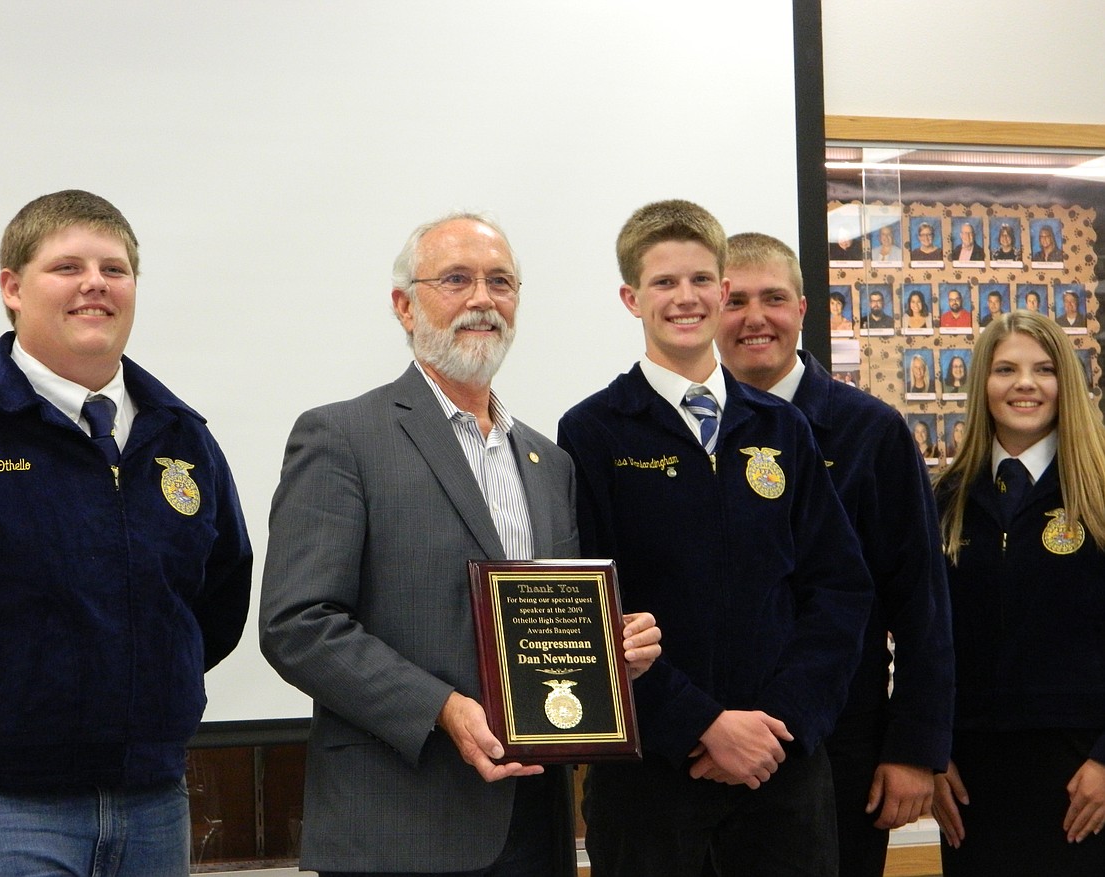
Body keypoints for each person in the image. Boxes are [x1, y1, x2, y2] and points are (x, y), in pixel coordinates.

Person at [258, 212, 662, 877]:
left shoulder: (546, 460)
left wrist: (610, 653)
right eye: (456, 279)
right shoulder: (343, 437)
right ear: (404, 305)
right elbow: (297, 624)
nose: (483, 299)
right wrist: (441, 708)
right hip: (401, 827)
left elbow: (544, 621)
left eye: (501, 281)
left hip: (535, 823)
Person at [0, 190, 253, 876]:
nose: (95, 285)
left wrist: (149, 682)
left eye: (114, 268)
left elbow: (218, 594)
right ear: (11, 288)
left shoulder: (183, 436)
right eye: (67, 267)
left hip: (152, 806)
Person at [558, 201, 873, 876]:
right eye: (664, 283)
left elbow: (839, 589)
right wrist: (703, 725)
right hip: (653, 775)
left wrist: (776, 725)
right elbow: (590, 612)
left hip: (779, 771)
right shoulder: (594, 432)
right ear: (630, 297)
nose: (685, 297)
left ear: (722, 288)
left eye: (701, 279)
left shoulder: (781, 429)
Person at [714, 232, 952, 877]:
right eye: (735, 300)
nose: (754, 317)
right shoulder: (683, 434)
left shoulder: (870, 431)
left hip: (842, 740)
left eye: (774, 298)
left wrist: (914, 749)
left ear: (803, 309)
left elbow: (921, 600)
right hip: (713, 742)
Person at [932, 310, 1105, 875]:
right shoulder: (946, 500)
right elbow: (923, 640)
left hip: (1083, 773)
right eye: (1005, 368)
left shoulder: (1099, 494)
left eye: (1044, 369)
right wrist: (929, 752)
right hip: (969, 775)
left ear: (1067, 385)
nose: (1025, 383)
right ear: (982, 383)